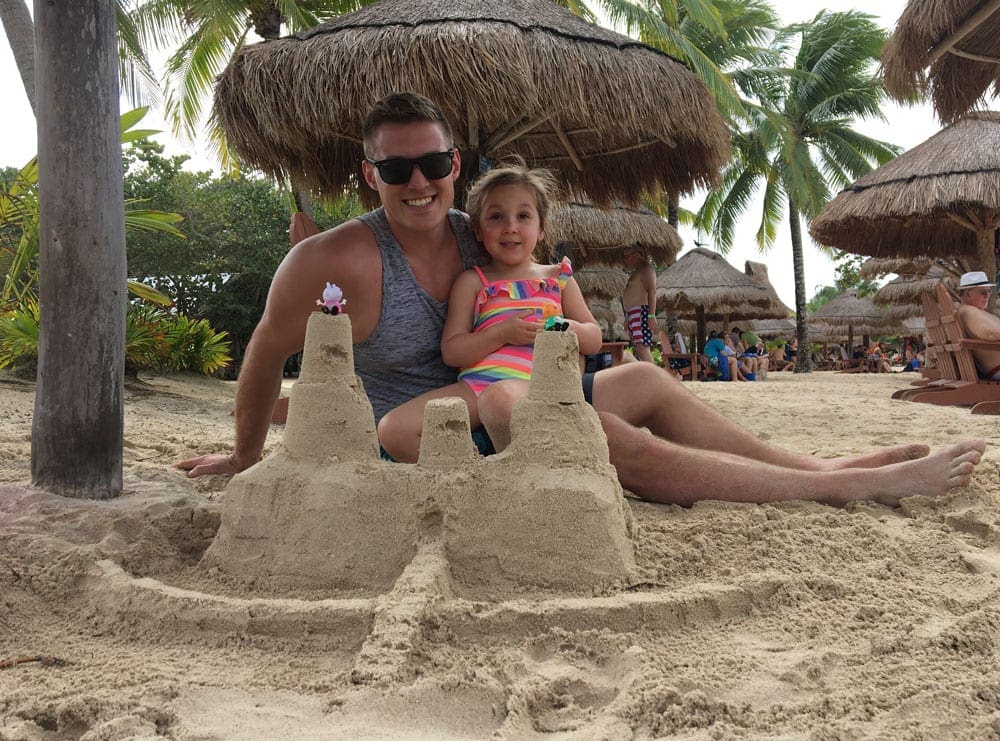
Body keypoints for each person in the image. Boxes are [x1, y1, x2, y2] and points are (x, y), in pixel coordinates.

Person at [175, 91, 984, 508]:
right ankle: (841, 487)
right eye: (395, 170)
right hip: (428, 426)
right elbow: (262, 356)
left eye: (432, 163)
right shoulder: (338, 257)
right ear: (369, 176)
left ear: (456, 163)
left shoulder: (482, 234)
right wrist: (245, 458)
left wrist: (563, 311)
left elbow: (566, 320)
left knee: (652, 383)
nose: (417, 182)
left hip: (511, 392)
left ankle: (820, 464)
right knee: (587, 427)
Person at [376, 163, 602, 460]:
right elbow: (453, 351)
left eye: (523, 216)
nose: (510, 226)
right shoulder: (473, 282)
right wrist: (502, 333)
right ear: (479, 231)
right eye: (496, 217)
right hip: (476, 388)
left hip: (535, 387)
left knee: (509, 404)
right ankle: (470, 481)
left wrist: (563, 328)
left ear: (542, 228)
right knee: (393, 429)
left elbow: (594, 337)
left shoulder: (558, 279)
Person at [955, 271, 1000, 379]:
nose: (987, 296)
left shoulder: (970, 311)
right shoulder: (968, 311)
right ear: (968, 293)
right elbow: (988, 333)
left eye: (989, 291)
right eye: (983, 292)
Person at [621, 249, 659, 363]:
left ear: (637, 254)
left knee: (643, 347)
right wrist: (627, 317)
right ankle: (649, 376)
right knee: (639, 347)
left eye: (628, 256)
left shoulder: (646, 270)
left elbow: (652, 291)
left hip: (641, 312)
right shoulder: (637, 271)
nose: (626, 260)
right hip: (634, 313)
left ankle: (654, 377)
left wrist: (651, 315)